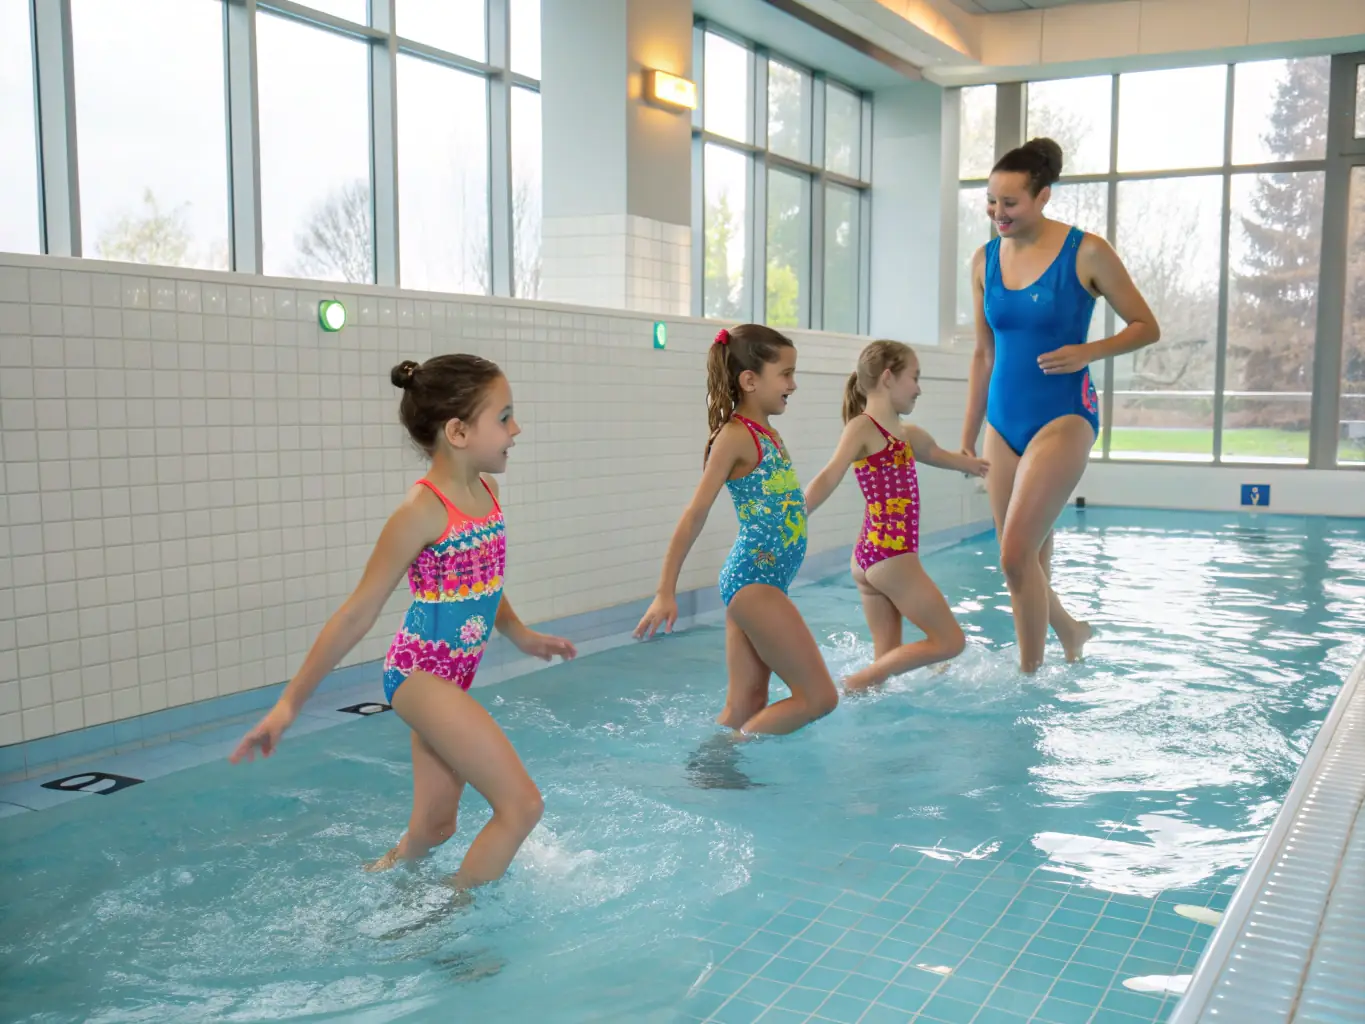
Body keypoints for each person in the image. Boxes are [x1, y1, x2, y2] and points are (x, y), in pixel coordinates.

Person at [230, 355, 577, 892]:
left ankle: (371, 893)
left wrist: (519, 633)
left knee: (435, 828)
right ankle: (451, 932)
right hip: (420, 676)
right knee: (522, 805)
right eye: (504, 417)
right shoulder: (421, 511)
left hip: (451, 678)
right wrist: (287, 705)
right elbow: (357, 612)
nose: (516, 429)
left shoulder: (487, 493)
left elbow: (482, 580)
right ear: (458, 431)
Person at [962, 137, 1159, 673]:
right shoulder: (983, 261)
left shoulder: (1086, 251)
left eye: (1010, 203)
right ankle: (1062, 640)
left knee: (1013, 553)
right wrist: (967, 435)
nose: (997, 213)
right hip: (1002, 422)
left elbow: (1146, 326)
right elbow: (984, 354)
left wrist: (1088, 352)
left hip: (1064, 416)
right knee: (1025, 559)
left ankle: (1033, 671)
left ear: (1043, 196)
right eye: (991, 201)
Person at [634, 325, 839, 735]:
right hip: (754, 582)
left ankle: (713, 776)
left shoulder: (767, 433)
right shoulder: (734, 435)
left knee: (746, 703)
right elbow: (695, 513)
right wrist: (665, 591)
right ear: (750, 380)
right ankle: (731, 758)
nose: (793, 385)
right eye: (785, 374)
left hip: (762, 582)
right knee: (819, 698)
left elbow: (786, 507)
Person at [805, 340, 988, 690]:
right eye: (914, 377)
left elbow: (940, 455)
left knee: (887, 659)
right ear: (888, 378)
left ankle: (868, 694)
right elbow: (830, 474)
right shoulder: (863, 427)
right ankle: (857, 681)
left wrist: (978, 466)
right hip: (891, 556)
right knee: (950, 643)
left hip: (868, 558)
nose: (919, 388)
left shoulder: (907, 436)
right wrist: (797, 513)